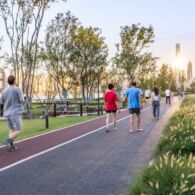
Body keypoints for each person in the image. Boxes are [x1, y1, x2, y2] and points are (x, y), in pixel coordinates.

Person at [0, 75, 24, 151]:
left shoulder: (4, 91)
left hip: (7, 113)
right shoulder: (18, 89)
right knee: (18, 130)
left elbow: (1, 102)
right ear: (14, 81)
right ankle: (8, 140)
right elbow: (22, 100)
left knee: (12, 129)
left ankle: (10, 146)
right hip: (15, 112)